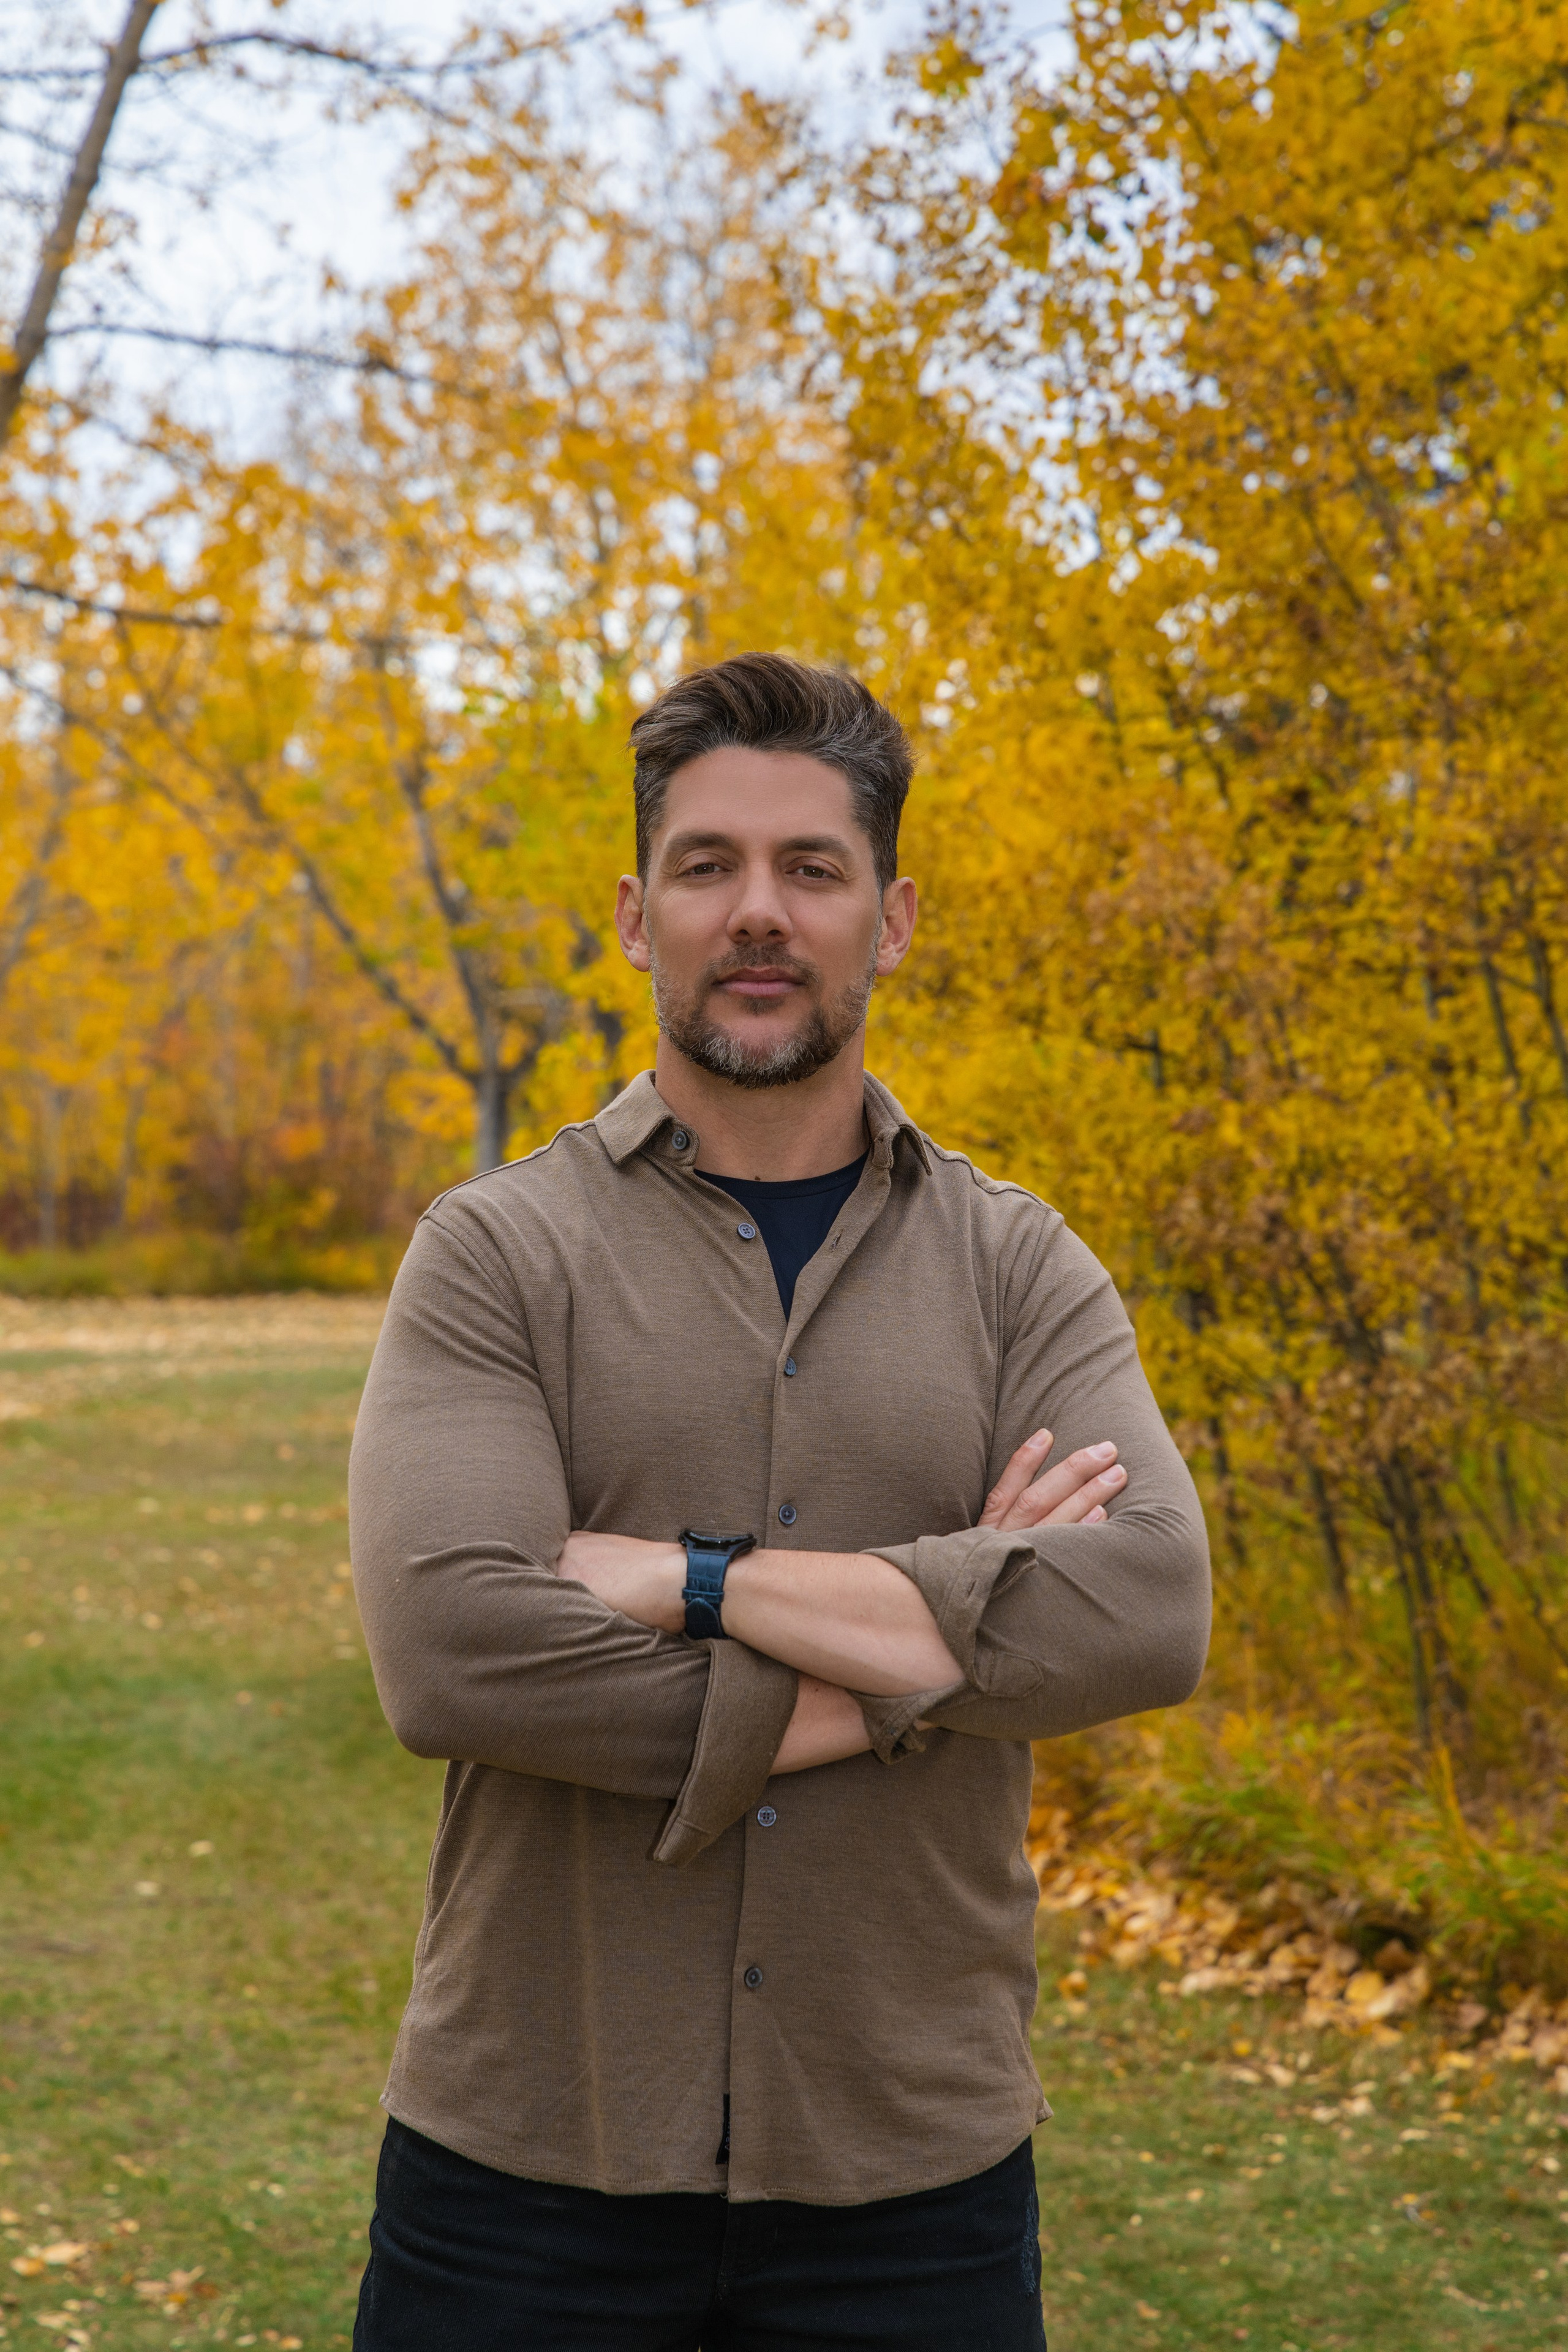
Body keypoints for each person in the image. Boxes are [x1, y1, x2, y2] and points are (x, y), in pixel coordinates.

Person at [347, 651, 1210, 2351]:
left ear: (890, 919)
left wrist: (691, 1577)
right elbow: (456, 1654)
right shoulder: (495, 1253)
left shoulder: (1016, 1263)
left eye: (811, 869)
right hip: (533, 2158)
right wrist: (936, 1659)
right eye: (709, 864)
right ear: (634, 912)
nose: (761, 912)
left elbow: (1149, 1610)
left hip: (912, 2180)